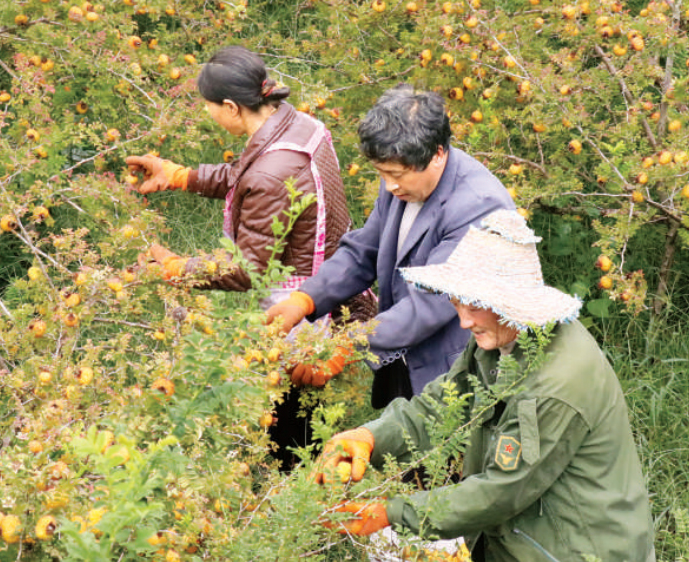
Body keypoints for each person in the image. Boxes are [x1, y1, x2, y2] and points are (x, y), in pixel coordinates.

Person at [312, 210, 655, 562]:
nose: (464, 321)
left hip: (579, 550)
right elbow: (442, 403)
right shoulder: (502, 337)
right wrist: (370, 437)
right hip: (528, 537)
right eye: (457, 302)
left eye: (475, 305)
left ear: (510, 302)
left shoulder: (555, 383)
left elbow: (503, 491)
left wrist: (392, 513)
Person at [126, 45, 376, 468]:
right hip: (329, 276)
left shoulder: (273, 170)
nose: (207, 113)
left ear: (230, 107)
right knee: (295, 407)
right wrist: (181, 176)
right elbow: (247, 177)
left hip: (297, 304)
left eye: (209, 106)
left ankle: (298, 488)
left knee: (289, 420)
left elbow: (246, 269)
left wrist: (176, 269)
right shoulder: (296, 125)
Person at [266, 85, 515, 408]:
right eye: (382, 173)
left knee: (441, 440)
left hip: (452, 370)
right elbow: (363, 251)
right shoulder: (403, 185)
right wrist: (306, 299)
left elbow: (428, 304)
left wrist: (347, 344)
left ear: (438, 154)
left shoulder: (478, 207)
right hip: (403, 357)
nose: (389, 185)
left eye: (396, 174)